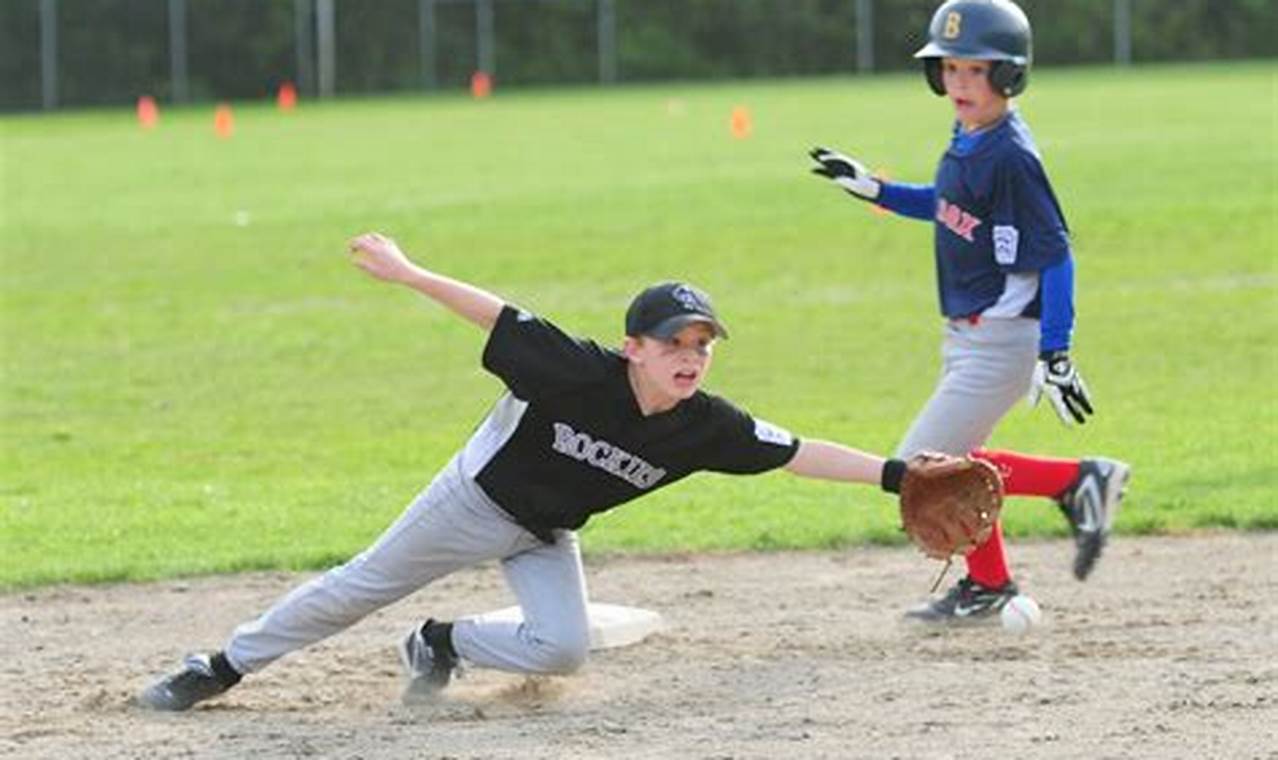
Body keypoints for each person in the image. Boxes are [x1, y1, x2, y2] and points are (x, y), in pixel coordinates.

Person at [140, 231, 918, 711]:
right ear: (632, 347)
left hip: (546, 530)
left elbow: (798, 451)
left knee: (562, 649)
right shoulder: (579, 370)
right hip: (473, 502)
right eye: (674, 342)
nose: (690, 356)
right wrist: (409, 273)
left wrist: (899, 476)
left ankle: (438, 644)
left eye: (702, 345)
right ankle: (219, 665)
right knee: (358, 589)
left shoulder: (705, 425)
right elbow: (497, 313)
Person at [808, 0, 1130, 622]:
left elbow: (1056, 255)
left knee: (919, 467)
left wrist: (1055, 352)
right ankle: (994, 582)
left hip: (1003, 340)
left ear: (1008, 75)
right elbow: (944, 202)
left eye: (973, 70)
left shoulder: (1010, 156)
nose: (957, 83)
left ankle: (1076, 481)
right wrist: (874, 188)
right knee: (950, 464)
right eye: (947, 68)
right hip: (968, 338)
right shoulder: (970, 136)